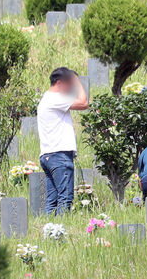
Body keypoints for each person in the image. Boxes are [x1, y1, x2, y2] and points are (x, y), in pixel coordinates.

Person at [37, 67, 88, 215]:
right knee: (65, 198)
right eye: (70, 85)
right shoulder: (55, 98)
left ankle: (50, 231)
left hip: (48, 155)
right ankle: (60, 232)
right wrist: (77, 80)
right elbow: (84, 103)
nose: (71, 89)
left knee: (52, 201)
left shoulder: (47, 98)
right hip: (59, 155)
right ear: (60, 82)